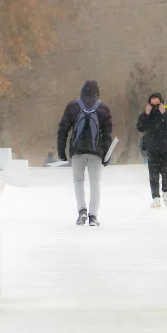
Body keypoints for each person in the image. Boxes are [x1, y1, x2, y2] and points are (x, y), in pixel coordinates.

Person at [57, 80, 113, 226]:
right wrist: (106, 155)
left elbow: (62, 130)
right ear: (97, 91)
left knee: (78, 181)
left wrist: (61, 151)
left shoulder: (73, 106)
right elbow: (107, 135)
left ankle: (81, 211)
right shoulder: (103, 108)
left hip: (77, 151)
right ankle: (93, 216)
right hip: (96, 151)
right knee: (95, 183)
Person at [136, 92, 167, 208]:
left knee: (166, 173)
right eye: (152, 104)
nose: (155, 107)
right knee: (153, 174)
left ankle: (166, 194)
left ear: (162, 103)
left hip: (166, 148)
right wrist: (146, 114)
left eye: (157, 104)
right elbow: (140, 127)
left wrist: (164, 113)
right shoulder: (146, 115)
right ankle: (155, 197)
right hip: (152, 149)